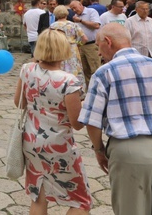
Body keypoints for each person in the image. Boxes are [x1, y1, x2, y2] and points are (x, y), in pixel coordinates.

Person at [79, 23, 152, 215]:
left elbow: (91, 120)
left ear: (108, 42)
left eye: (99, 47)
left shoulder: (104, 73)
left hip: (130, 150)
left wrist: (98, 149)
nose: (99, 53)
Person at [15, 29, 92, 215]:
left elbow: (19, 102)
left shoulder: (27, 70)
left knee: (38, 196)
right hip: (59, 144)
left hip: (31, 140)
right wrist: (84, 105)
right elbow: (77, 123)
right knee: (81, 201)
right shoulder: (69, 81)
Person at [49, 5, 85, 84]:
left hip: (59, 49)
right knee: (74, 68)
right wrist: (78, 44)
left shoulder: (53, 26)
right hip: (72, 48)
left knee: (60, 68)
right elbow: (84, 38)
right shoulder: (73, 25)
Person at [69, 0, 101, 86]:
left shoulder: (91, 12)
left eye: (75, 7)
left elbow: (96, 25)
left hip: (91, 45)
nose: (74, 10)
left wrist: (81, 21)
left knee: (95, 68)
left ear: (80, 4)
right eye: (72, 9)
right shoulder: (75, 16)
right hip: (81, 45)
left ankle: (99, 88)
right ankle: (89, 90)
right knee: (84, 70)